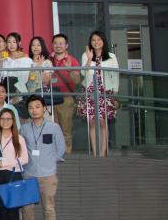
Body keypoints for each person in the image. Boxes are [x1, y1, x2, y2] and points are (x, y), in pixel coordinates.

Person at [20, 96, 65, 220]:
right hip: (29, 173)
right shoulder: (24, 128)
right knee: (27, 208)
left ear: (44, 108)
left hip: (48, 174)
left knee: (49, 208)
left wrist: (52, 162)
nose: (34, 110)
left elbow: (61, 148)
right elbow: (20, 149)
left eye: (37, 107)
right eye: (31, 107)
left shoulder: (53, 128)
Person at [78, 30, 119, 158]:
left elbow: (116, 75)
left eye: (99, 39)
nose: (96, 42)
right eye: (93, 40)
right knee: (92, 122)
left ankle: (103, 152)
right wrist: (89, 59)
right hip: (90, 91)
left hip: (105, 91)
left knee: (103, 122)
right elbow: (83, 74)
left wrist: (115, 94)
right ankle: (95, 153)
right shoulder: (86, 55)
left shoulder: (111, 56)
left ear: (103, 41)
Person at [0, 107, 29, 220]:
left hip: (13, 175)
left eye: (9, 119)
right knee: (2, 210)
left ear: (13, 121)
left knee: (13, 209)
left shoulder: (18, 138)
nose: (6, 121)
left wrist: (7, 164)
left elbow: (25, 159)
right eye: (3, 119)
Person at [50, 33, 81, 153]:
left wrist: (70, 70)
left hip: (66, 99)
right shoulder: (48, 60)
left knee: (66, 129)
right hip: (50, 99)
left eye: (61, 43)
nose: (58, 46)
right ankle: (52, 155)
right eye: (56, 43)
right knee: (51, 129)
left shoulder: (72, 60)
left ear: (66, 45)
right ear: (52, 45)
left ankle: (67, 155)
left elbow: (77, 80)